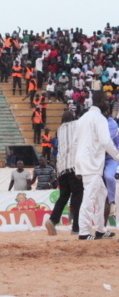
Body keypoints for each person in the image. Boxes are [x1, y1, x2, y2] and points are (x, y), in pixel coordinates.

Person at [75, 90, 119, 240]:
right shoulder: (99, 118)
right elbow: (106, 141)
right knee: (90, 197)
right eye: (106, 100)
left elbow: (76, 143)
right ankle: (84, 232)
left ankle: (100, 229)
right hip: (92, 164)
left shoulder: (82, 118)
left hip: (84, 162)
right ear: (100, 101)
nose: (108, 103)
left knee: (101, 194)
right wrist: (117, 156)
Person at [45, 111, 83, 236]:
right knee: (77, 196)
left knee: (63, 196)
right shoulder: (77, 124)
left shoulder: (60, 130)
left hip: (61, 168)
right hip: (74, 167)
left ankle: (53, 220)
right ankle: (76, 227)